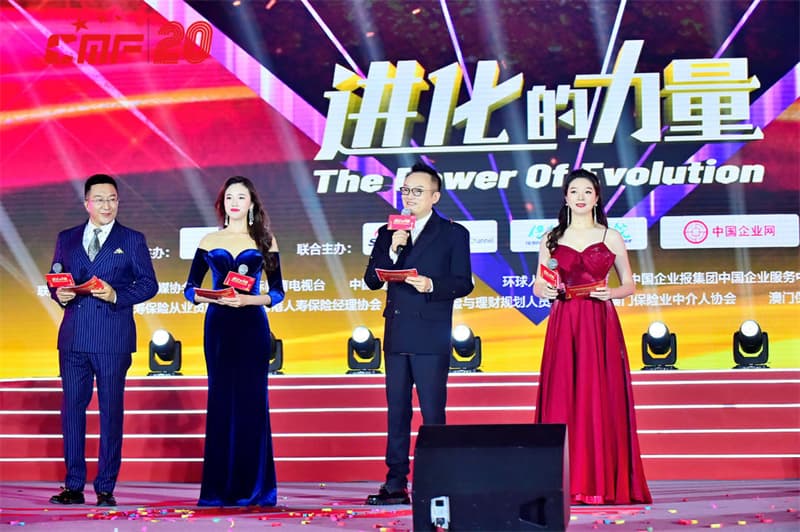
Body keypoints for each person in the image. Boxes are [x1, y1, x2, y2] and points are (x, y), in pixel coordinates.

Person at [533, 169, 652, 505]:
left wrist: (610, 293)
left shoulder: (610, 236)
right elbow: (539, 283)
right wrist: (545, 290)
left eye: (588, 191)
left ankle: (601, 481)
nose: (581, 197)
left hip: (599, 321)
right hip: (564, 320)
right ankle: (565, 481)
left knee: (599, 394)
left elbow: (629, 284)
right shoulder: (551, 238)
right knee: (563, 395)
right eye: (575, 191)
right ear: (566, 197)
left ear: (597, 197)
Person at [363, 162, 473, 505]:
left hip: (430, 333)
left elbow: (463, 283)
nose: (409, 197)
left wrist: (432, 284)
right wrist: (393, 250)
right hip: (397, 333)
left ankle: (437, 481)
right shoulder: (388, 232)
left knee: (433, 412)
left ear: (435, 196)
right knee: (397, 412)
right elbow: (371, 280)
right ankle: (395, 482)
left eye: (417, 191)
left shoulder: (453, 233)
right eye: (406, 190)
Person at [48, 173, 158, 507]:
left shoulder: (132, 239)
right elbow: (57, 278)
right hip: (74, 337)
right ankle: (73, 485)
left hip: (112, 337)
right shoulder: (67, 238)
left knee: (110, 411)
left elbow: (149, 284)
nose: (106, 205)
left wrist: (116, 295)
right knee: (72, 411)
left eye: (112, 199)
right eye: (99, 199)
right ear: (87, 203)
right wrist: (59, 293)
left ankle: (105, 486)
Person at [184, 176, 284, 507]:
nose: (235, 203)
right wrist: (212, 297)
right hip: (219, 326)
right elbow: (189, 289)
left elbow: (278, 293)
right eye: (230, 197)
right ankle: (218, 489)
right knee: (221, 401)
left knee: (252, 403)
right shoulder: (209, 240)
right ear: (222, 203)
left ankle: (254, 488)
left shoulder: (265, 241)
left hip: (252, 325)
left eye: (241, 197)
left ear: (252, 203)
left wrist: (247, 300)